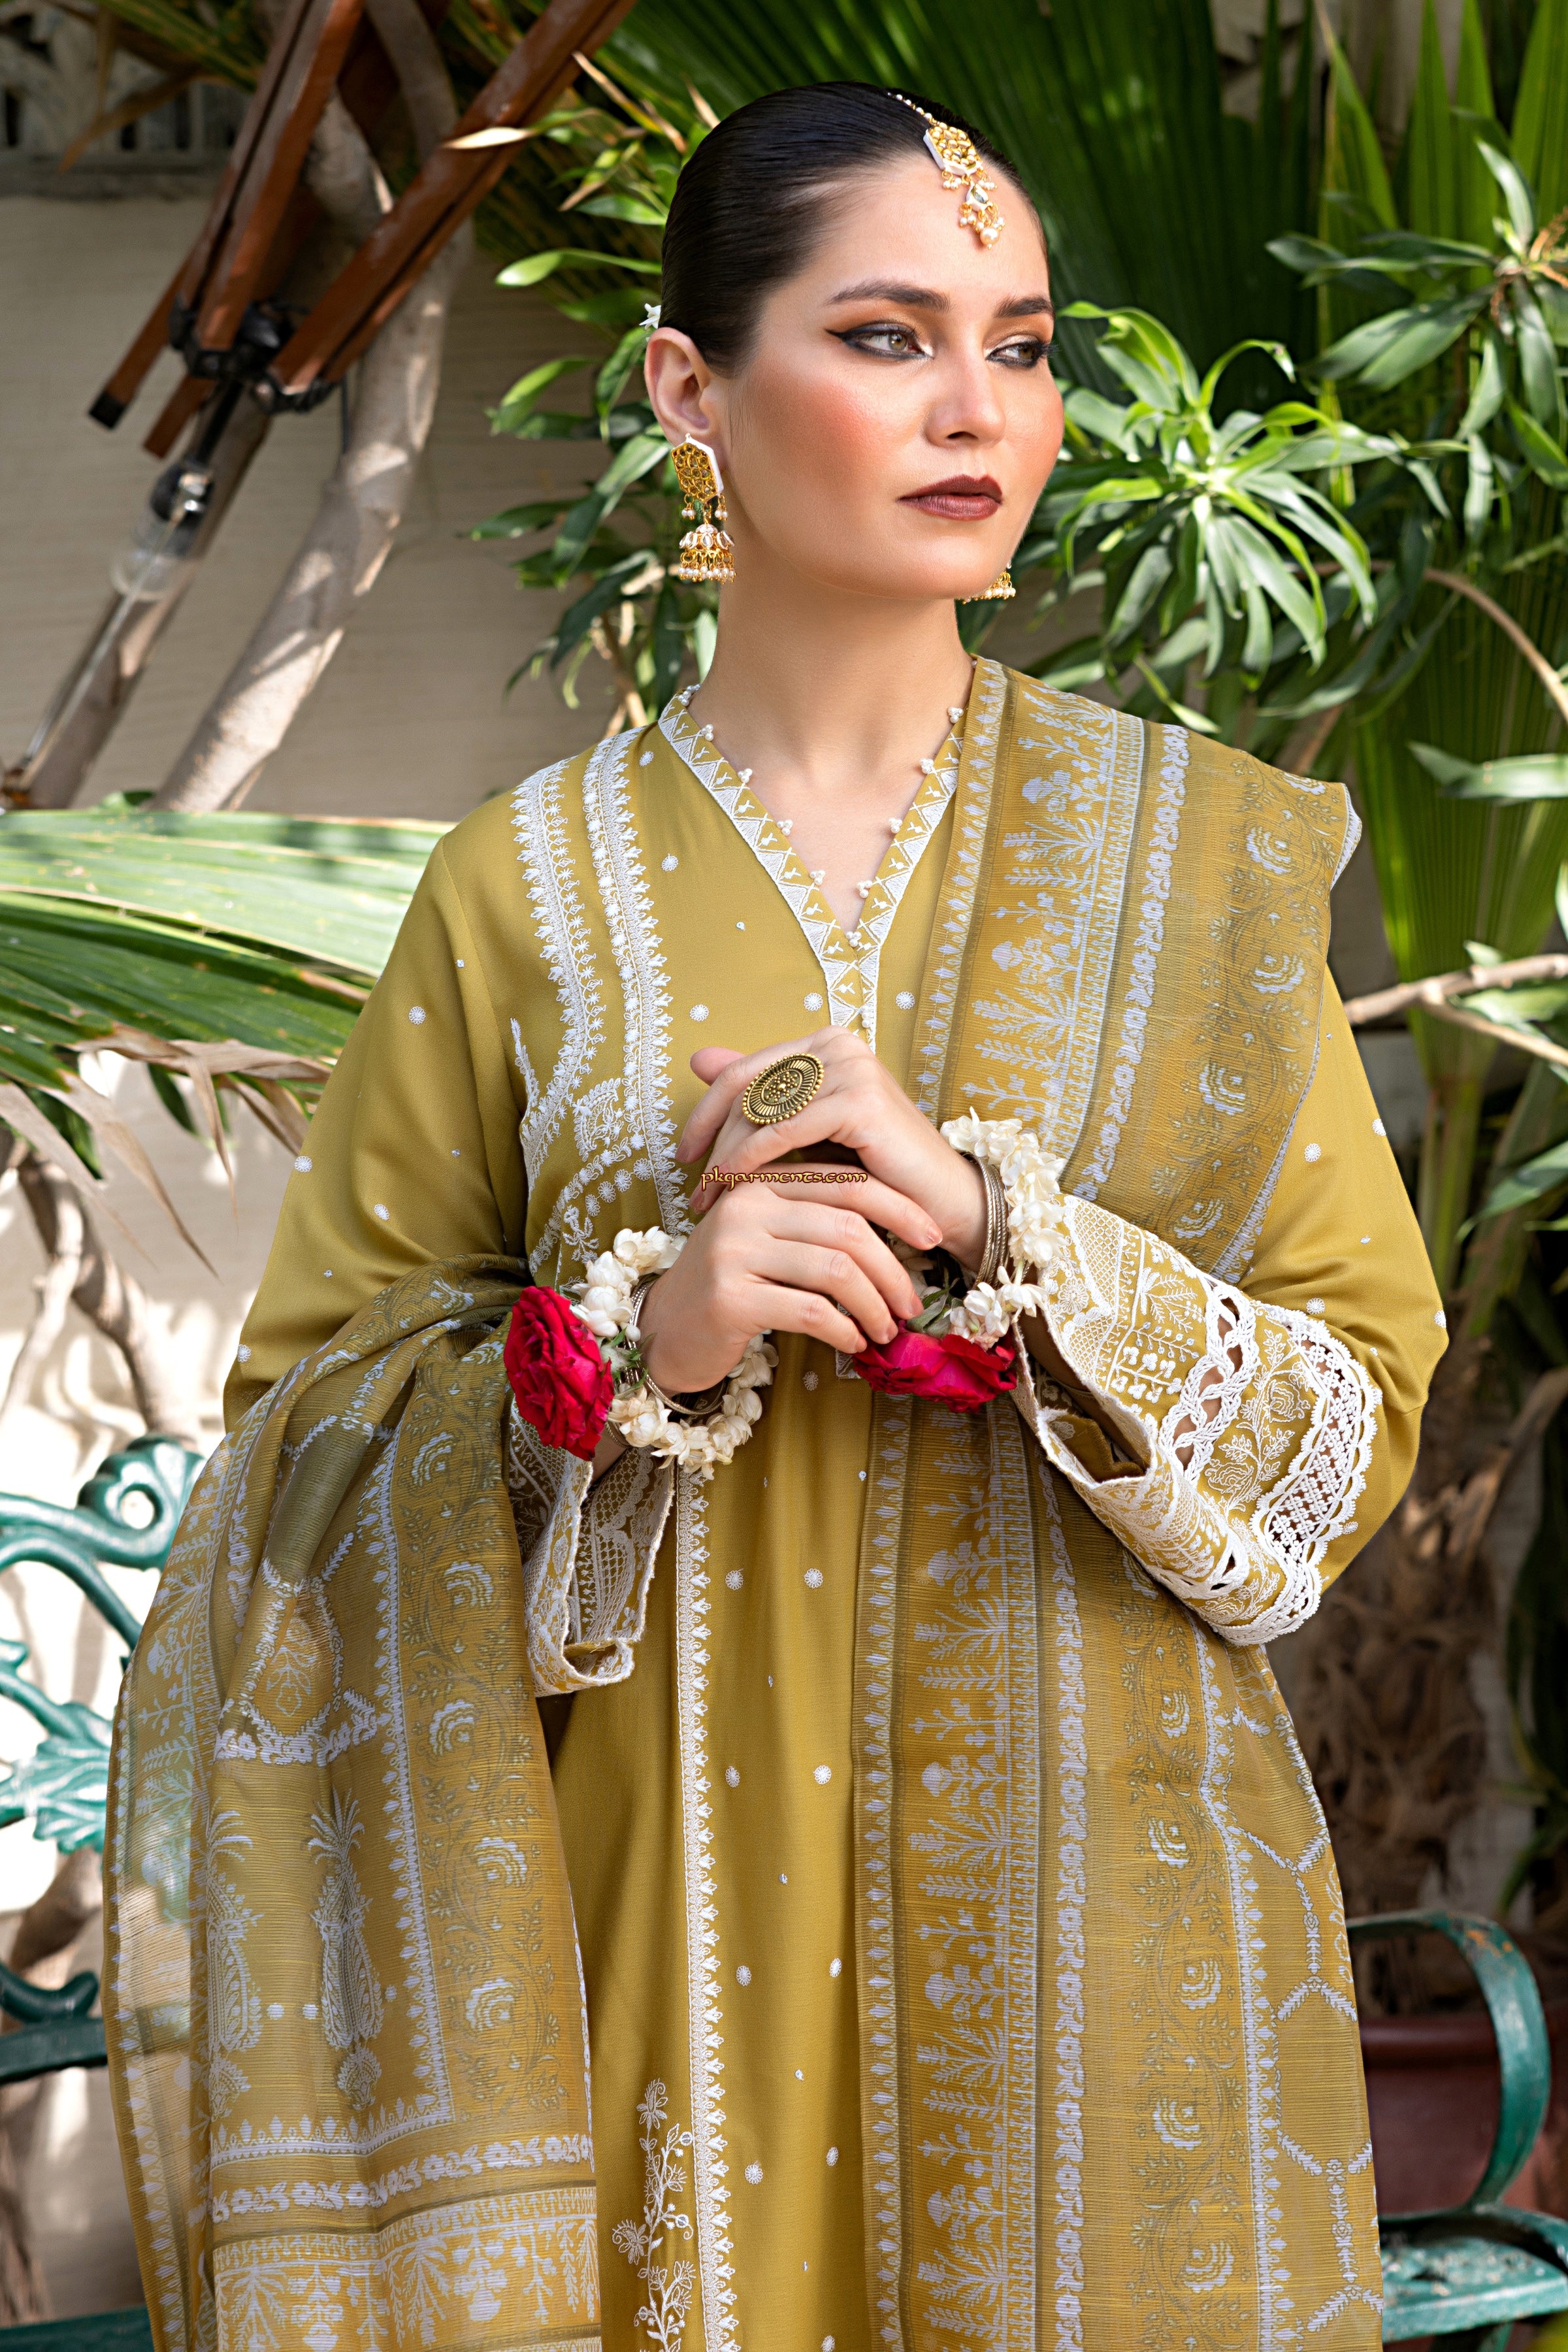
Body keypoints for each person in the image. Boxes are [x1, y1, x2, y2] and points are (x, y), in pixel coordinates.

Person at [105, 81, 1445, 2352]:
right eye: (889, 335)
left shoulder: (1202, 865)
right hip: (649, 1946)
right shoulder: (523, 890)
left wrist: (1018, 1238)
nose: (979, 409)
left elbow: (1354, 1422)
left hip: (1101, 1943)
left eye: (1022, 346)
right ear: (688, 389)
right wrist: (640, 1348)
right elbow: (293, 1481)